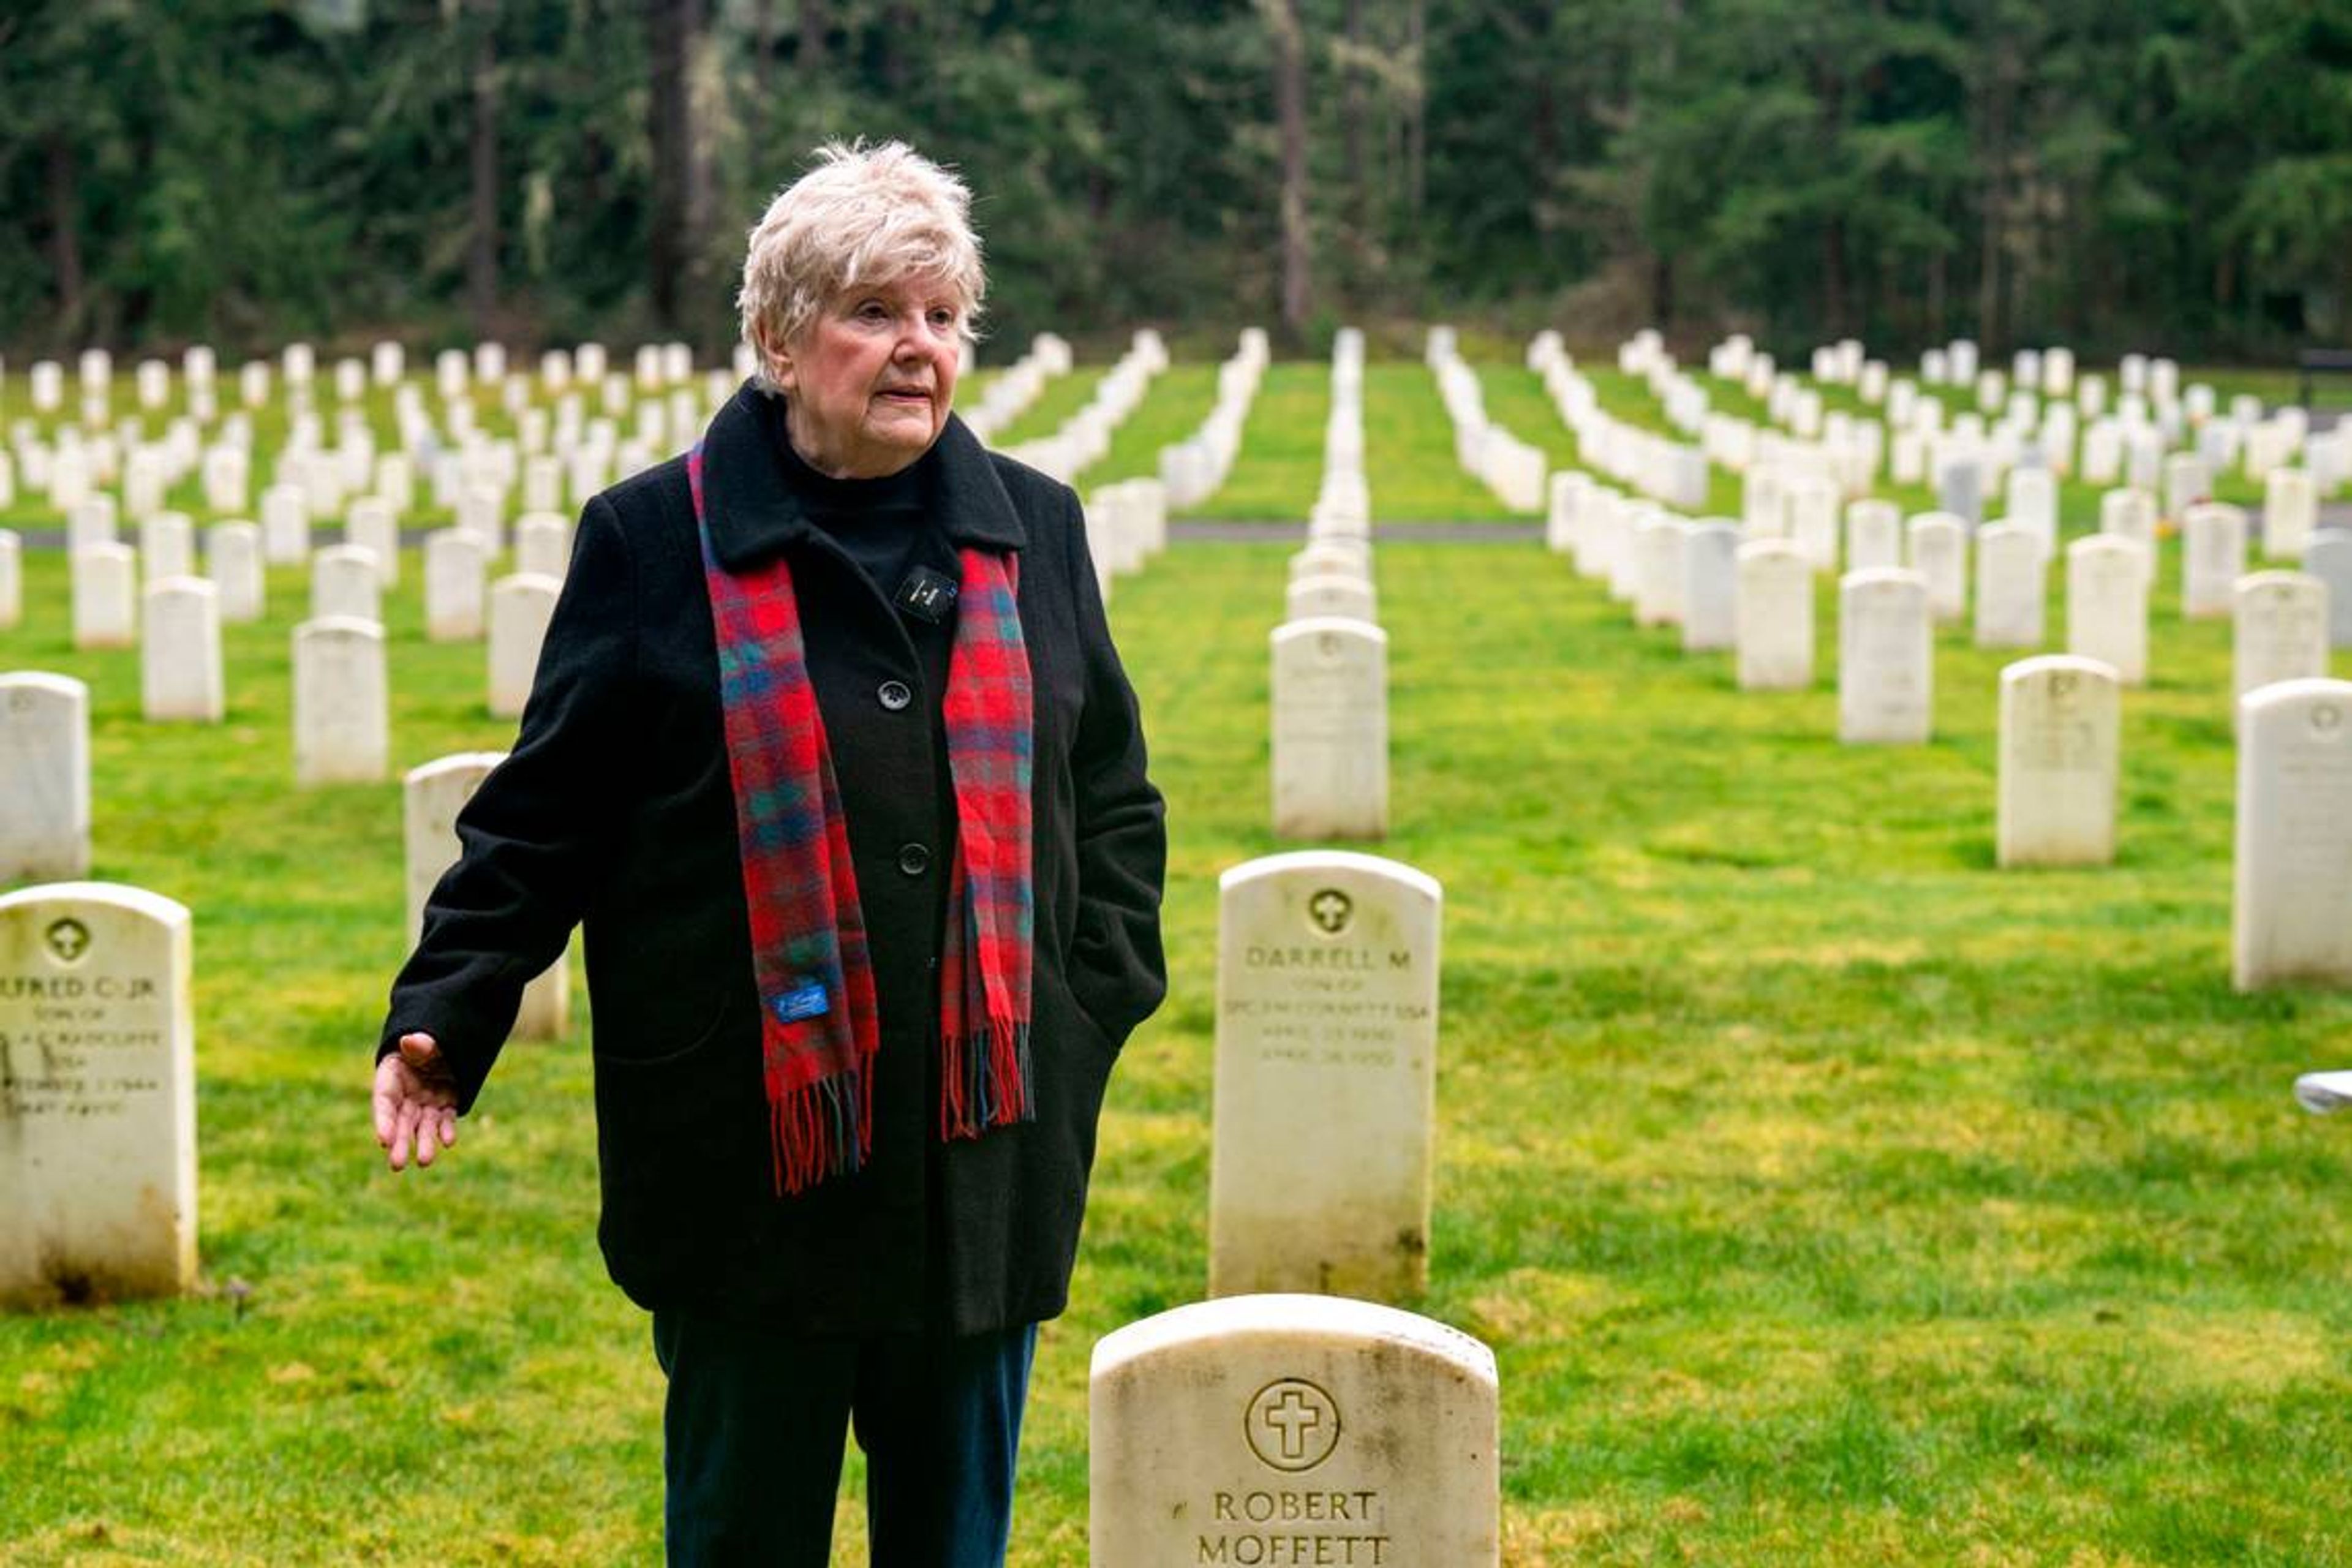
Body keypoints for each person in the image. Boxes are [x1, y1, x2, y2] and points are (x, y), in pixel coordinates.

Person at [371, 139, 1167, 1567]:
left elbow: (1111, 790)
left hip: (978, 1158)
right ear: (779, 340)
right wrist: (448, 1007)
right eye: (875, 311)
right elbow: (547, 808)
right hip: (751, 1157)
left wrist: (1086, 999)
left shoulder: (1034, 528)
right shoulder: (651, 540)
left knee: (956, 1542)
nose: (917, 347)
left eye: (941, 315)